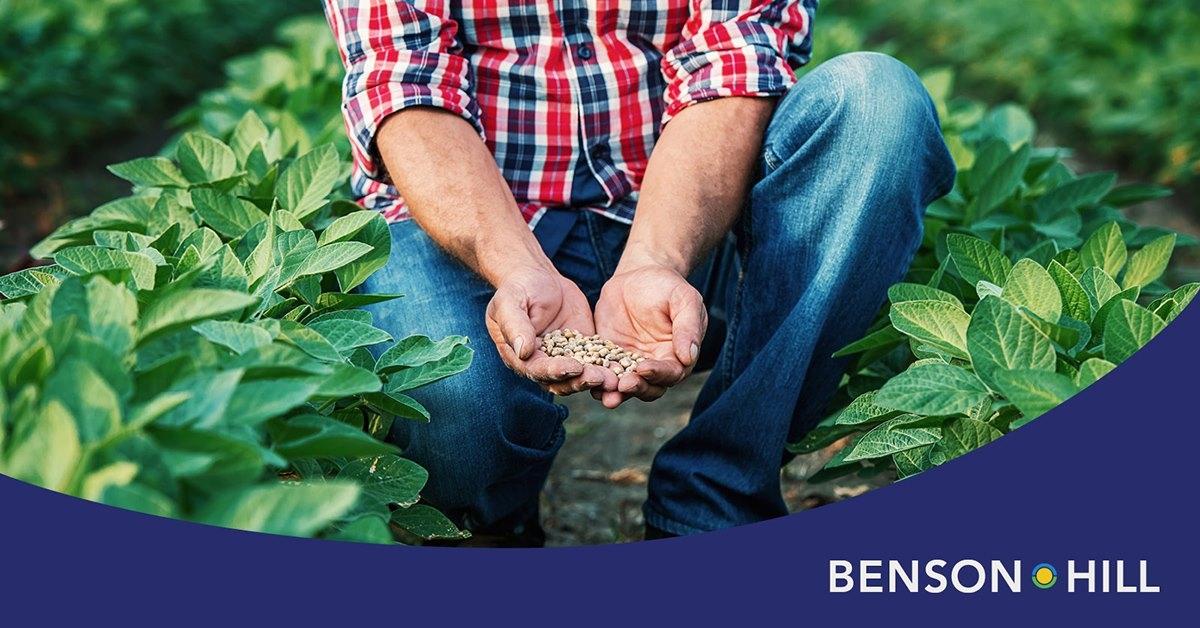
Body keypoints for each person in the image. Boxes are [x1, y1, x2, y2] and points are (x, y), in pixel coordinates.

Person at [323, 0, 955, 545]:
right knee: (454, 404)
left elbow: (731, 59)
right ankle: (485, 522)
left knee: (877, 103)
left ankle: (714, 497)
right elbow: (405, 85)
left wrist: (655, 262)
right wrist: (517, 269)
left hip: (693, 220)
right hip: (476, 226)